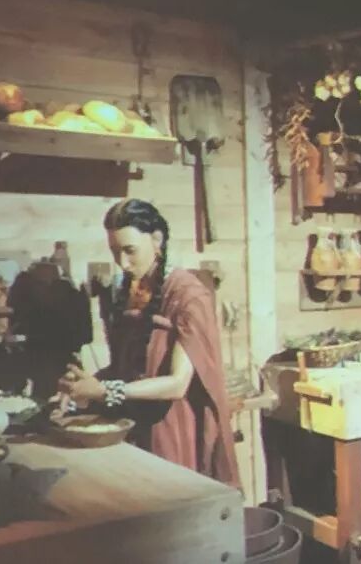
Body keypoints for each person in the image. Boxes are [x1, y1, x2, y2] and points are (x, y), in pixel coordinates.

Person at [55, 199, 240, 487]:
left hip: (170, 432)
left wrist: (105, 390)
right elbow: (126, 368)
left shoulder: (188, 295)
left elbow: (177, 384)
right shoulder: (129, 292)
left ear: (157, 240)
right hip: (130, 428)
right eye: (115, 251)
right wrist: (85, 383)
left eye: (130, 250)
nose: (122, 262)